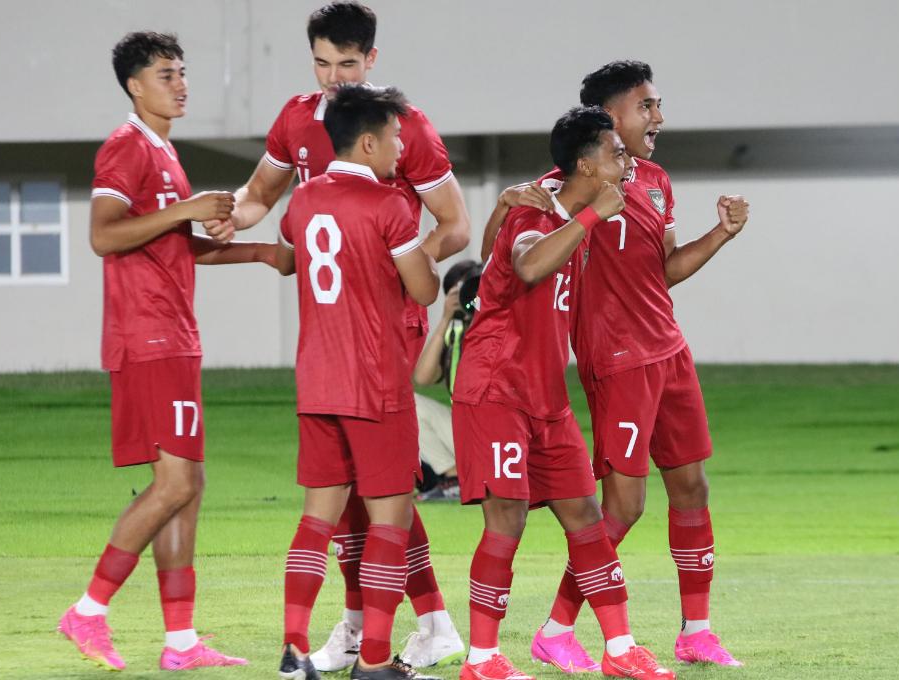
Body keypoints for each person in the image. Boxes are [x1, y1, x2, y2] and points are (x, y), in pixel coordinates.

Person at [207, 2, 469, 669]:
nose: (332, 77)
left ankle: (353, 629)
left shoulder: (405, 129)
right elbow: (256, 198)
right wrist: (224, 215)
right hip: (347, 344)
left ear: (371, 60)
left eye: (346, 63)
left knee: (358, 499)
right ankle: (399, 629)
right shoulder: (300, 120)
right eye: (322, 62)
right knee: (377, 499)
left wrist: (395, 260)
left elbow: (455, 224)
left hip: (364, 336)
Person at [58, 31, 276, 672]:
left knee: (188, 485)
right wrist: (185, 206)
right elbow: (104, 235)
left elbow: (171, 244)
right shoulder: (126, 149)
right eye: (164, 74)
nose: (179, 84)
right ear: (133, 84)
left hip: (173, 336)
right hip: (147, 338)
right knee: (174, 481)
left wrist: (260, 251)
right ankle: (89, 610)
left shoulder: (163, 152)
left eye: (181, 72)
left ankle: (180, 642)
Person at [527, 61, 750, 670]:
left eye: (657, 104)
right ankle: (555, 629)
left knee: (692, 487)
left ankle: (696, 633)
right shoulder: (561, 187)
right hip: (617, 360)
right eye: (646, 106)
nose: (659, 117)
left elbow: (667, 270)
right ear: (609, 119)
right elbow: (525, 256)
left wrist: (722, 234)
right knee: (623, 507)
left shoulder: (654, 180)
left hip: (669, 352)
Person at [452, 106, 674, 680]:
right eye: (615, 153)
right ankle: (481, 660)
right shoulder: (542, 216)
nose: (626, 160)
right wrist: (589, 217)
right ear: (585, 165)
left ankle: (621, 650)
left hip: (546, 398)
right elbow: (525, 266)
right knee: (507, 522)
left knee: (586, 517)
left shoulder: (553, 208)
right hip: (495, 389)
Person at [274, 83, 442, 680]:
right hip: (375, 383)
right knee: (389, 524)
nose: (401, 146)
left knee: (316, 520)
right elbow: (424, 289)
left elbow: (292, 253)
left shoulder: (302, 201)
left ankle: (294, 652)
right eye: (395, 137)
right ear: (368, 141)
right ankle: (373, 662)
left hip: (315, 382)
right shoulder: (388, 205)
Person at [411, 260, 485, 502]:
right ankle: (453, 479)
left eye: (475, 290)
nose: (470, 297)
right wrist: (445, 319)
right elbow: (422, 377)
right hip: (465, 429)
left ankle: (460, 480)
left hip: (496, 431)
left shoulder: (500, 324)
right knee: (410, 404)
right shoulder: (455, 330)